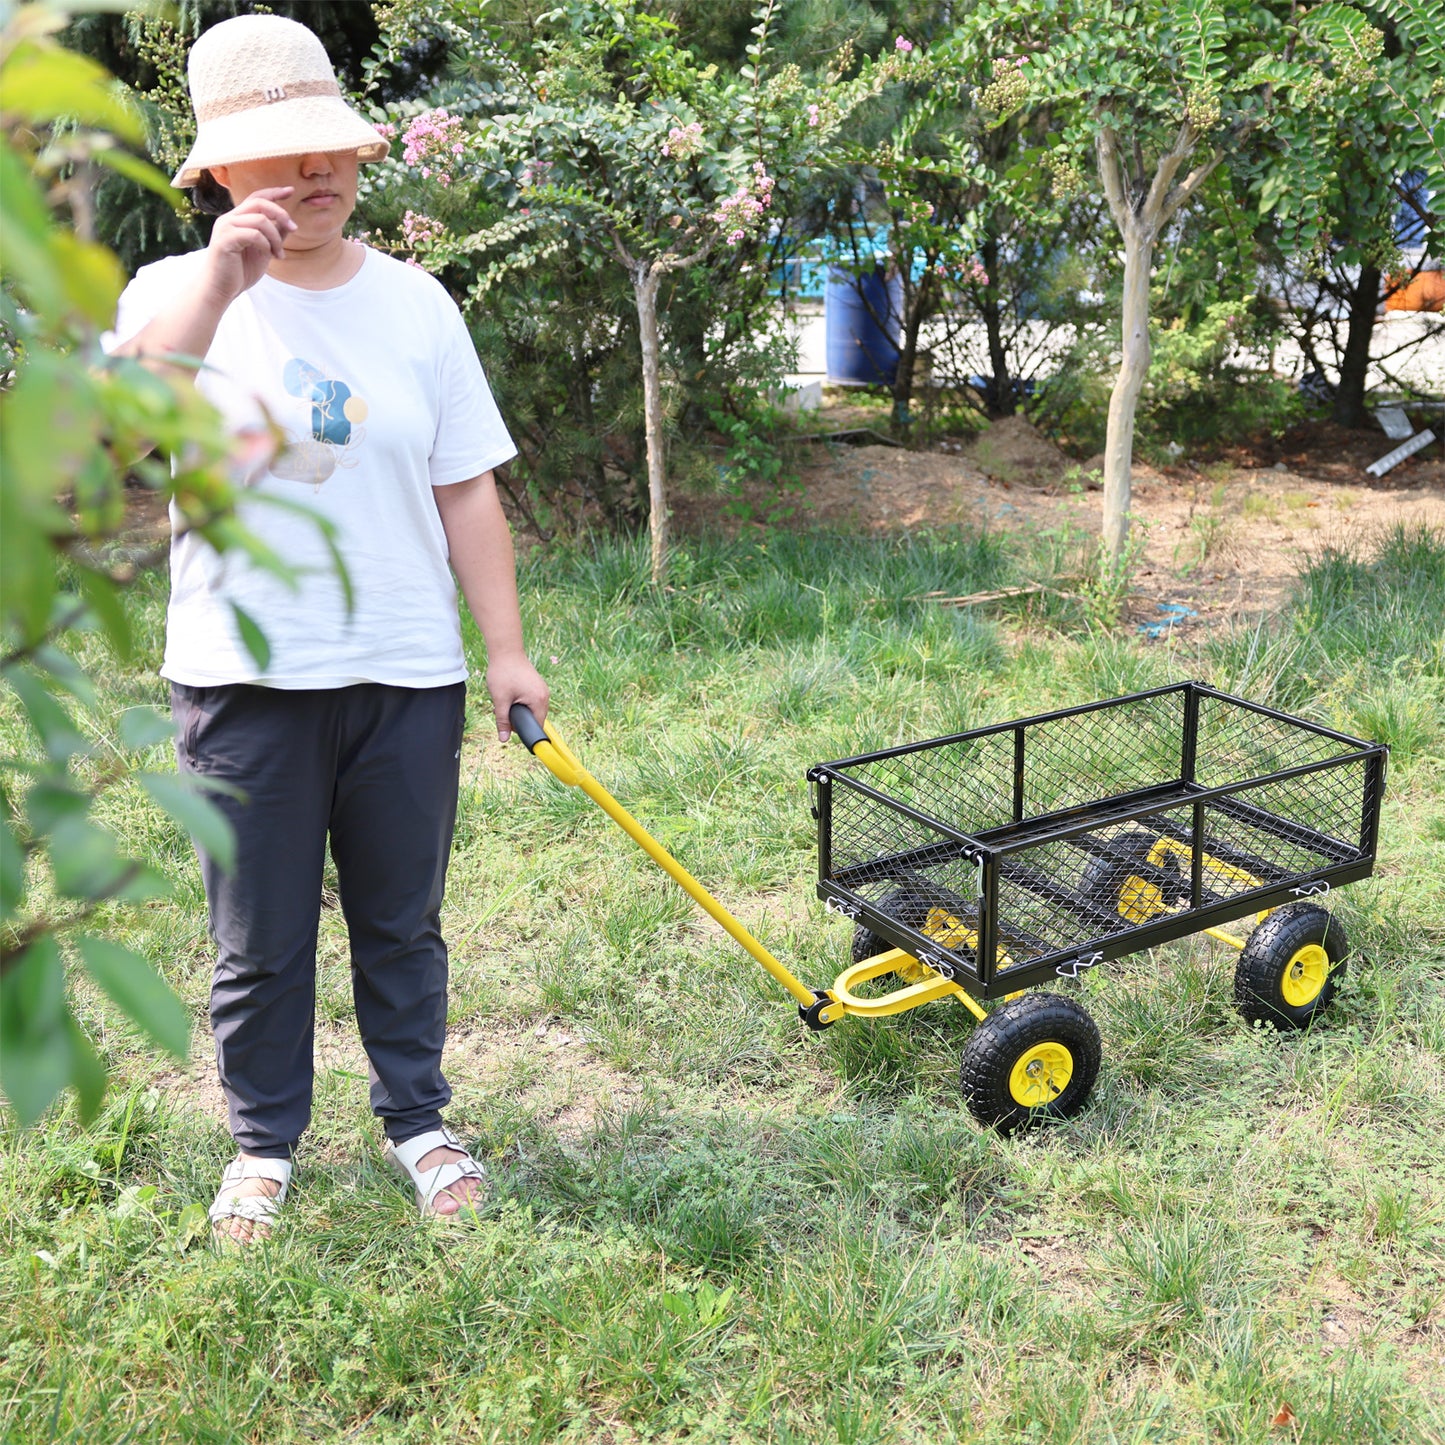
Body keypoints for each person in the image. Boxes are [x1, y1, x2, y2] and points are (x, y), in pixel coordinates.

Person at [108, 13, 548, 1244]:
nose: (315, 173)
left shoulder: (417, 305)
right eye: (281, 154)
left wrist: (503, 647)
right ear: (218, 175)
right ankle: (261, 1141)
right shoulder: (171, 297)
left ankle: (418, 1117)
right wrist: (220, 278)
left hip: (407, 672)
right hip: (244, 676)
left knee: (400, 919)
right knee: (256, 937)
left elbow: (465, 486)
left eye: (331, 149)